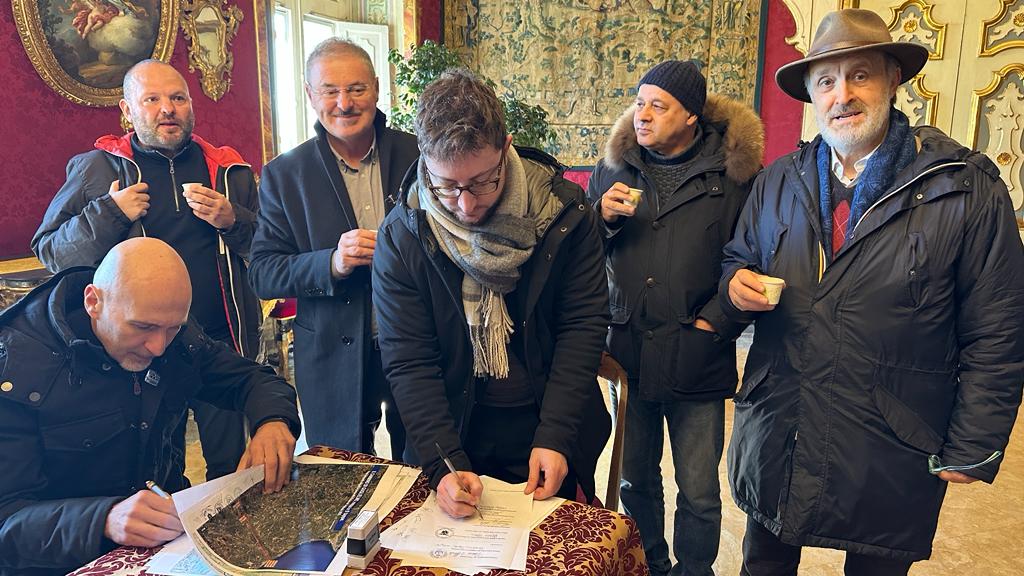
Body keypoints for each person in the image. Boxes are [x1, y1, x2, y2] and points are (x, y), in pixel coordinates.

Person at [719, 9, 1024, 575]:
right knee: (764, 563)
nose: (843, 95)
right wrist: (735, 286)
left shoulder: (964, 187)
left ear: (892, 80)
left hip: (892, 435)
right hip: (781, 424)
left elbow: (999, 326)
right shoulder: (777, 180)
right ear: (811, 94)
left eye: (860, 75)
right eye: (826, 81)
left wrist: (974, 441)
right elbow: (739, 258)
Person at [372, 68, 611, 518]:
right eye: (446, 186)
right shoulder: (403, 236)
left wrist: (556, 435)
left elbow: (581, 329)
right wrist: (444, 463)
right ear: (425, 161)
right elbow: (409, 359)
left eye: (483, 182)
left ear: (506, 148)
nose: (466, 205)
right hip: (451, 429)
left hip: (549, 421)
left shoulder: (565, 215)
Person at [0, 238, 300, 576]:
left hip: (168, 545)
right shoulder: (16, 368)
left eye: (173, 328)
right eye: (142, 327)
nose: (158, 347)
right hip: (63, 562)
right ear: (93, 302)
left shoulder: (171, 331)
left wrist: (273, 421)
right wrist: (103, 519)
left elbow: (250, 379)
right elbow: (6, 521)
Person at [31, 59, 258, 481]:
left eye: (177, 98)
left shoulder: (229, 170)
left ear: (191, 105)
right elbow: (51, 251)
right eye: (152, 99)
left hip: (219, 341)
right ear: (127, 110)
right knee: (156, 473)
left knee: (231, 469)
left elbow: (266, 251)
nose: (167, 108)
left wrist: (234, 220)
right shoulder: (97, 169)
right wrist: (109, 213)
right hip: (141, 348)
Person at [587, 60, 763, 576]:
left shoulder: (735, 178)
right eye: (639, 103)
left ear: (690, 116)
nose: (642, 115)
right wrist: (601, 219)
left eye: (658, 106)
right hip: (630, 353)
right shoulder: (613, 169)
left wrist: (715, 323)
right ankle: (652, 567)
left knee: (700, 491)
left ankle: (694, 571)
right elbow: (580, 258)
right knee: (635, 481)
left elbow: (752, 259)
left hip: (697, 355)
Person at [250, 38, 417, 457]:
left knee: (425, 469)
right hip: (330, 355)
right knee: (342, 477)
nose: (344, 103)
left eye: (356, 89)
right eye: (330, 91)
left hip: (418, 347)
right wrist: (332, 263)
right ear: (310, 94)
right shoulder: (285, 174)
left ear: (376, 88)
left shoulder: (420, 154)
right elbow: (263, 273)